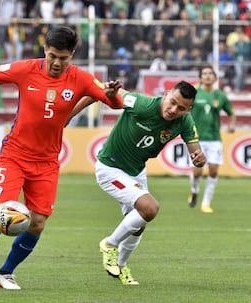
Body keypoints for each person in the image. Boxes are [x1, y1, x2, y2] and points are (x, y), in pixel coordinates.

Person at [0, 26, 123, 290]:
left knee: (37, 224)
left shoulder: (81, 79)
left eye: (63, 58)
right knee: (5, 214)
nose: (56, 63)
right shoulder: (26, 69)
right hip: (14, 154)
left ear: (72, 55)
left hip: (47, 162)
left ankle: (5, 273)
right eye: (52, 56)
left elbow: (116, 103)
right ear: (45, 50)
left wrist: (110, 96)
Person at [67, 81, 206, 285]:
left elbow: (195, 149)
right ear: (167, 94)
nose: (173, 110)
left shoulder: (184, 121)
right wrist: (70, 114)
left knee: (139, 224)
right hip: (111, 168)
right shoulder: (142, 104)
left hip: (136, 171)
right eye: (172, 102)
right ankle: (109, 244)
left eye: (181, 108)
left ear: (188, 109)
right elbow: (98, 92)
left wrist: (198, 157)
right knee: (150, 208)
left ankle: (121, 267)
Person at [187, 65, 236, 213]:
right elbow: (184, 110)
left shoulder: (220, 96)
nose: (207, 76)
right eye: (204, 73)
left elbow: (231, 113)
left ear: (215, 78)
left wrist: (231, 124)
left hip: (214, 138)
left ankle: (205, 204)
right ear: (200, 77)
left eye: (210, 73)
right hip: (196, 139)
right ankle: (194, 191)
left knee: (213, 171)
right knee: (197, 172)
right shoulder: (194, 93)